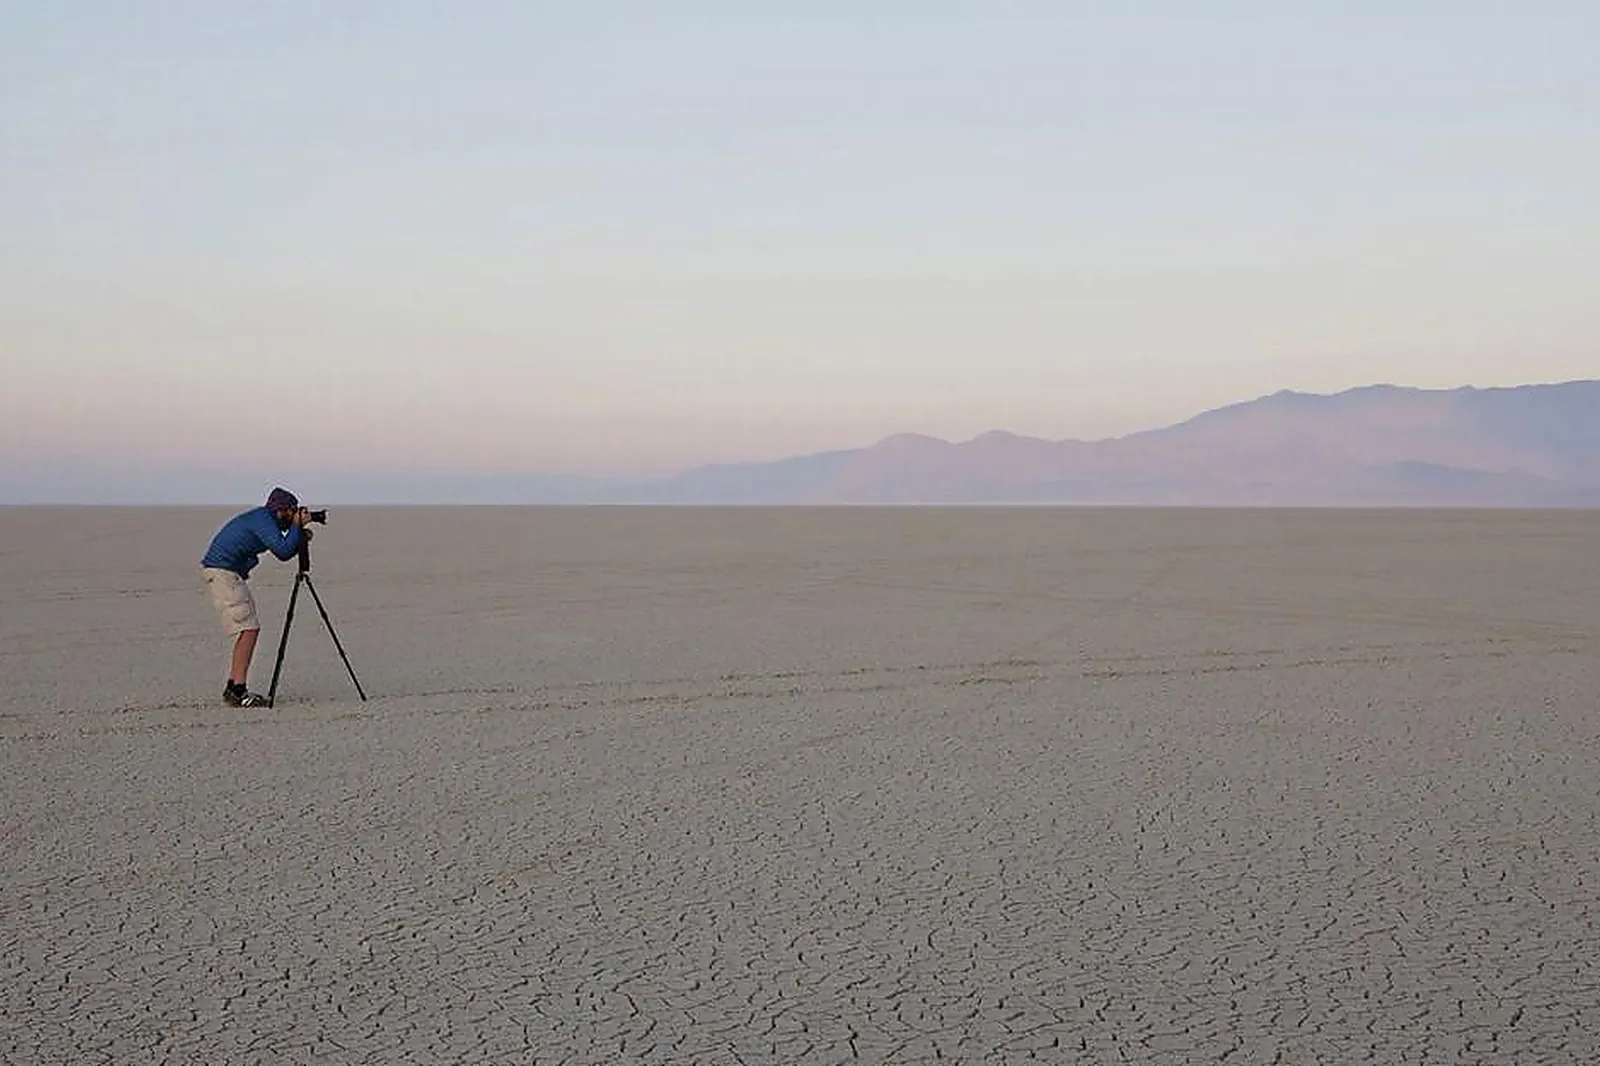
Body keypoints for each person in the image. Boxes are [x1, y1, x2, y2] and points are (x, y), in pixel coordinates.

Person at [201, 487, 314, 706]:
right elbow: (282, 551)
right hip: (224, 574)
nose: (292, 516)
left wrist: (297, 531)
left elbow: (286, 547)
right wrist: (296, 527)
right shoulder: (263, 521)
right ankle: (238, 691)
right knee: (248, 629)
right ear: (281, 511)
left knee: (248, 629)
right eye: (291, 512)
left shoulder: (262, 518)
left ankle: (234, 686)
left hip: (225, 573)